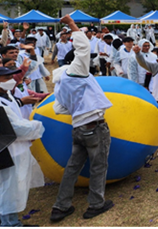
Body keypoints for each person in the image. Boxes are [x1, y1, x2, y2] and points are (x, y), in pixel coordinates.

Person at [50, 15, 114, 222]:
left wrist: (78, 108)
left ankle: (60, 207)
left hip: (78, 128)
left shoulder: (59, 84)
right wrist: (71, 24)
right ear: (75, 62)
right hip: (94, 127)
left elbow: (59, 108)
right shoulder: (76, 72)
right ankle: (96, 204)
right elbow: (83, 47)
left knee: (72, 167)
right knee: (98, 166)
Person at [0, 66, 45, 227]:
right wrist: (36, 127)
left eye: (11, 77)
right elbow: (15, 128)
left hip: (10, 148)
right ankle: (10, 224)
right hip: (6, 150)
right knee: (6, 190)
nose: (11, 81)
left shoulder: (7, 95)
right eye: (6, 78)